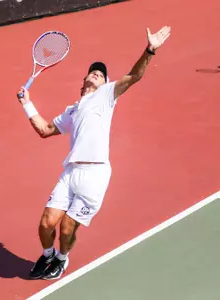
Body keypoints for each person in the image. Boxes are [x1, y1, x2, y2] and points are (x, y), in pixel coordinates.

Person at [16, 26, 171, 280]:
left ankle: (62, 260)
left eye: (101, 74)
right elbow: (44, 129)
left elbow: (134, 76)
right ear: (84, 80)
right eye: (93, 72)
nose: (97, 75)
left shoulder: (107, 95)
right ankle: (47, 256)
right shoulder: (71, 111)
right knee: (46, 223)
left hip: (95, 174)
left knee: (67, 229)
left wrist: (150, 50)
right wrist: (26, 104)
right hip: (71, 171)